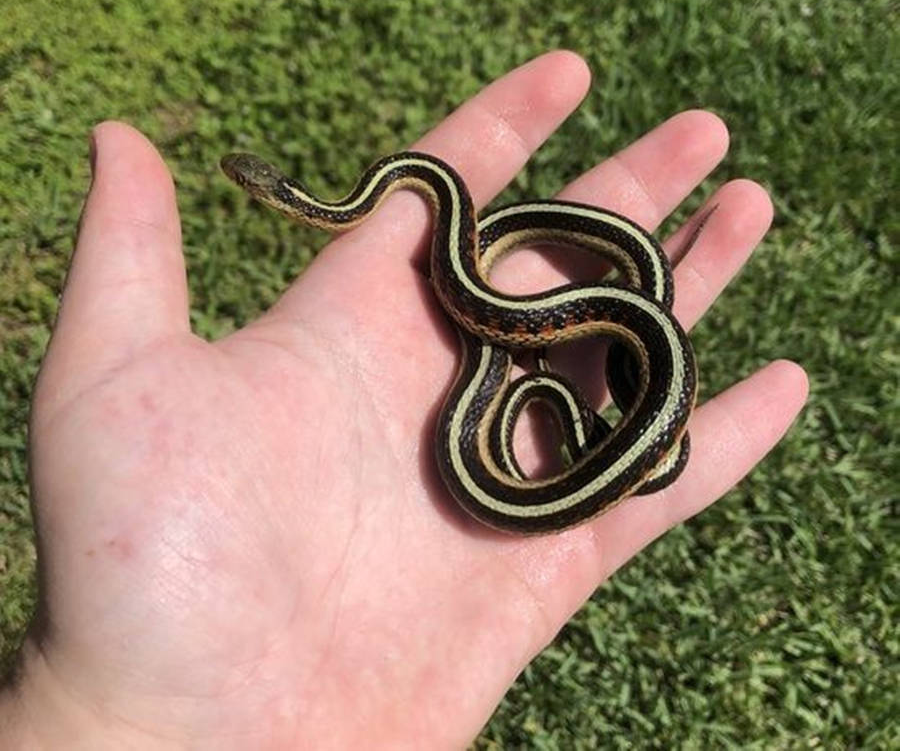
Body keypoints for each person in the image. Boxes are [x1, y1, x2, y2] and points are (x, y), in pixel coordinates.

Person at [0, 52, 808, 749]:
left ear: (281, 201)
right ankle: (611, 361)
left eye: (255, 188)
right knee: (590, 351)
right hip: (545, 381)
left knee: (631, 328)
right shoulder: (423, 207)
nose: (249, 189)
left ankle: (621, 350)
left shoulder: (434, 212)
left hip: (597, 344)